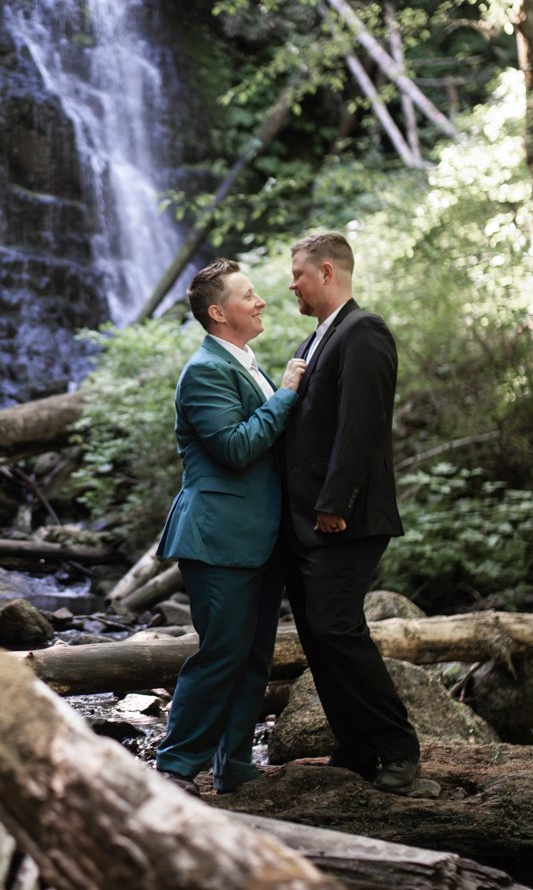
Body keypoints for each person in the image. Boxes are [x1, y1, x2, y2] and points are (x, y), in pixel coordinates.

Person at [153, 258, 306, 796]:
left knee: (252, 655)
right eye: (249, 294)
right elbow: (236, 448)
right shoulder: (205, 371)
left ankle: (234, 764)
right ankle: (173, 768)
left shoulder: (245, 362)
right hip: (217, 536)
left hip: (258, 536)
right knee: (221, 654)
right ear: (219, 313)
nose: (261, 300)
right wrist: (286, 394)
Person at [281, 231, 420, 794]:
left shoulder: (364, 331)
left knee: (336, 626)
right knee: (318, 633)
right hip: (305, 519)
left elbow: (361, 425)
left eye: (298, 274)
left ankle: (398, 748)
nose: (291, 284)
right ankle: (356, 745)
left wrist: (336, 503)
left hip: (343, 516)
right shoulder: (315, 338)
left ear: (328, 273)